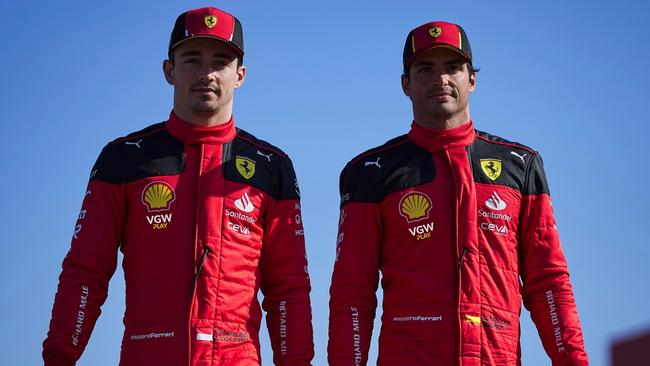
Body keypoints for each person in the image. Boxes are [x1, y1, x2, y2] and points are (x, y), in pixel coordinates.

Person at [43, 6, 314, 366]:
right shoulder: (124, 159)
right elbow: (85, 271)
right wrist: (60, 354)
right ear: (169, 70)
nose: (207, 73)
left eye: (220, 61)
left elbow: (288, 290)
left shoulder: (272, 167)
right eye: (192, 59)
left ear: (240, 75)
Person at [328, 21, 589, 365]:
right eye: (426, 69)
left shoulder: (521, 166)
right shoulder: (370, 172)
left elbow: (549, 281)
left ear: (472, 79)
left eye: (453, 67)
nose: (441, 79)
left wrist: (573, 360)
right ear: (406, 84)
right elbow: (353, 291)